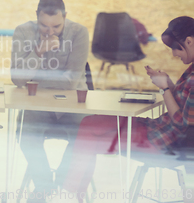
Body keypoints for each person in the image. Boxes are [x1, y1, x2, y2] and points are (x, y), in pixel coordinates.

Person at [59, 16, 194, 202]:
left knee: (88, 131)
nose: (174, 54)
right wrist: (168, 84)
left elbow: (183, 125)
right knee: (88, 130)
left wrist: (164, 89)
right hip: (159, 130)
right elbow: (183, 107)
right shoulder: (191, 70)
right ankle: (73, 194)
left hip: (164, 141)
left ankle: (70, 193)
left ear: (189, 41)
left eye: (175, 48)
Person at [10, 0, 89, 201]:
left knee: (84, 138)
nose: (50, 32)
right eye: (44, 26)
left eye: (56, 27)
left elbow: (72, 82)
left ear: (65, 17)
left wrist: (34, 79)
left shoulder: (79, 32)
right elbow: (17, 79)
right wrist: (37, 52)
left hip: (72, 104)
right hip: (37, 105)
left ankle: (61, 186)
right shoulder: (23, 32)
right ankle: (45, 187)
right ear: (37, 17)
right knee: (25, 136)